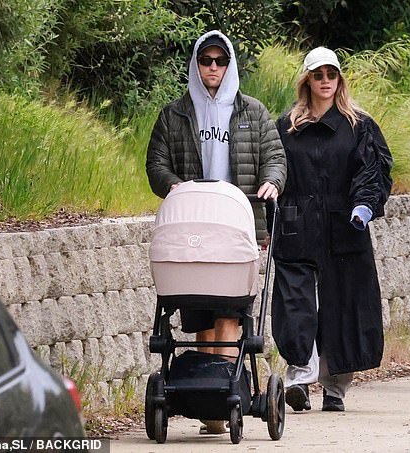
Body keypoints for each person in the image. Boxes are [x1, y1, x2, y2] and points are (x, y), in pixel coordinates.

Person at [145, 30, 286, 433]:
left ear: (230, 65)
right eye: (205, 61)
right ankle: (210, 396)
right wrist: (172, 184)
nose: (212, 68)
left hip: (239, 228)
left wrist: (273, 181)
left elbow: (275, 156)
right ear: (196, 64)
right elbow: (157, 162)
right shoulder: (175, 114)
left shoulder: (252, 112)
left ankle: (221, 397)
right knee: (200, 318)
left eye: (219, 61)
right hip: (194, 229)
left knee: (230, 314)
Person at [271, 47, 393, 413]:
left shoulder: (359, 124)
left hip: (345, 225)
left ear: (340, 79)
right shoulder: (287, 126)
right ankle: (299, 376)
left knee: (344, 304)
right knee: (296, 303)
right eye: (318, 74)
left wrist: (364, 205)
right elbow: (273, 171)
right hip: (298, 225)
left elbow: (374, 169)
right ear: (306, 79)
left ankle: (335, 386)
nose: (325, 81)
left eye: (331, 74)